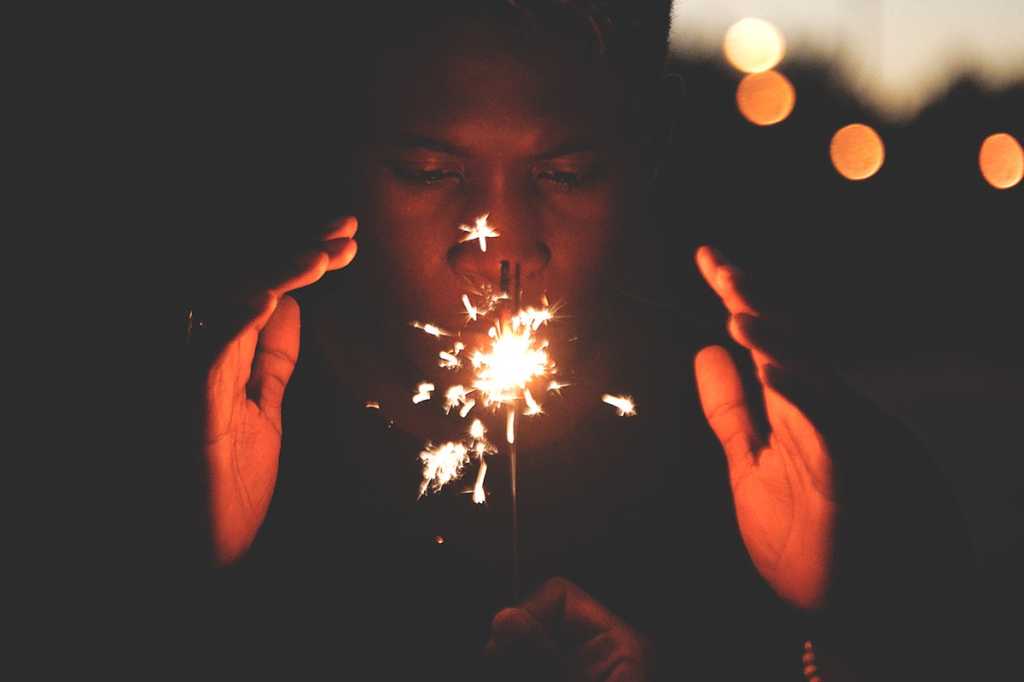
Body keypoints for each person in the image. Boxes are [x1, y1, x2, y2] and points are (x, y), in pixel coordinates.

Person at [182, 3, 973, 679]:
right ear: (342, 138)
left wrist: (850, 620)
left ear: (651, 145)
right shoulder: (210, 437)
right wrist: (176, 569)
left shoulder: (788, 460)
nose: (502, 249)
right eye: (427, 170)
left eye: (566, 174)